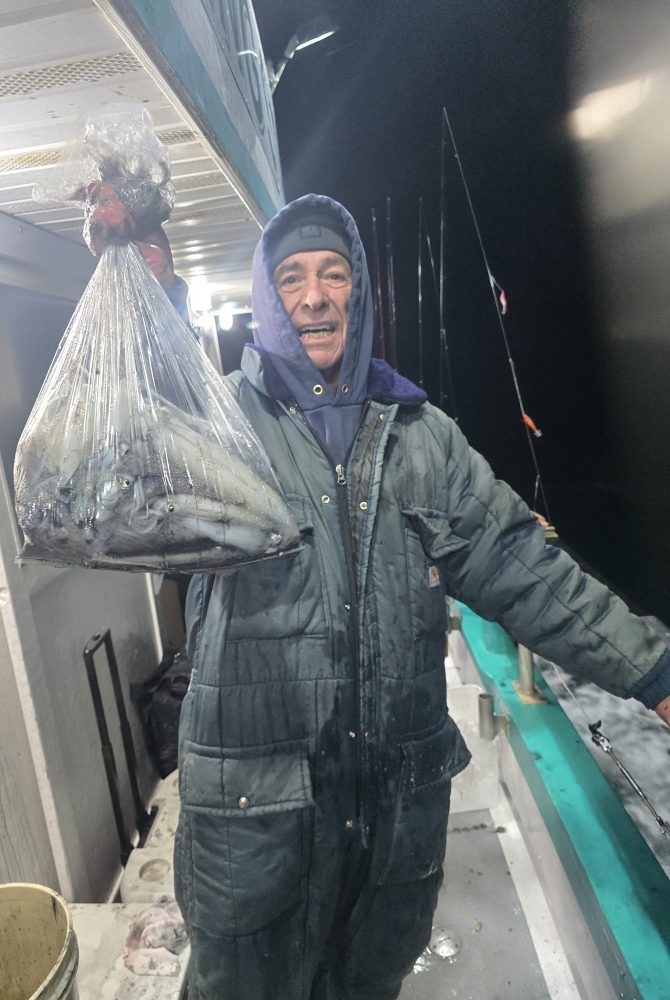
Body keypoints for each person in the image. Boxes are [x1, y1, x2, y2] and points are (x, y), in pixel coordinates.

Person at [93, 191, 670, 1000]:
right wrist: (136, 288)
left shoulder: (422, 437)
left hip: (391, 830)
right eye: (291, 278)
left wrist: (654, 672)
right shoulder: (218, 423)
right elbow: (117, 456)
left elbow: (519, 562)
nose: (316, 295)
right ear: (267, 299)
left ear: (358, 294)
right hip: (261, 836)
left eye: (335, 274)